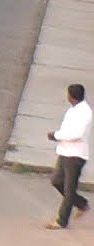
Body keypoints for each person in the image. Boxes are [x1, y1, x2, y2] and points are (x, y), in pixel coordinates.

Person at [45, 83, 91, 229]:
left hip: (76, 155)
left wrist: (56, 136)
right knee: (56, 180)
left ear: (71, 97)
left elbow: (77, 134)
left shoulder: (85, 113)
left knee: (69, 189)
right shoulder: (73, 110)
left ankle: (61, 221)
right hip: (65, 151)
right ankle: (81, 203)